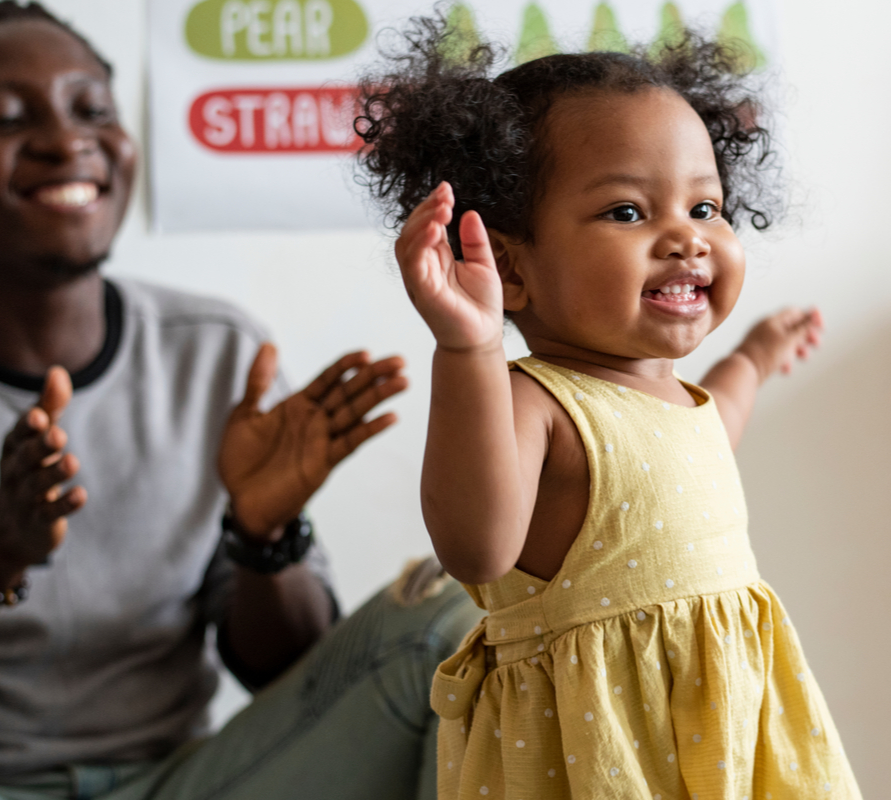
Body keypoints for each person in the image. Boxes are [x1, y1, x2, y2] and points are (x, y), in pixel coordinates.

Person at [0, 2, 481, 799]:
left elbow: (293, 681)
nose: (65, 139)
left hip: (185, 784)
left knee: (452, 621)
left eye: (92, 111)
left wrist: (263, 535)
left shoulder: (215, 352)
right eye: (7, 119)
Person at [356, 19, 863, 800]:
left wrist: (753, 361)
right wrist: (470, 349)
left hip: (725, 746)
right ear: (511, 266)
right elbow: (478, 546)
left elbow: (705, 438)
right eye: (628, 213)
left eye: (705, 208)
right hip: (601, 758)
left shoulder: (672, 396)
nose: (686, 241)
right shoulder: (536, 401)